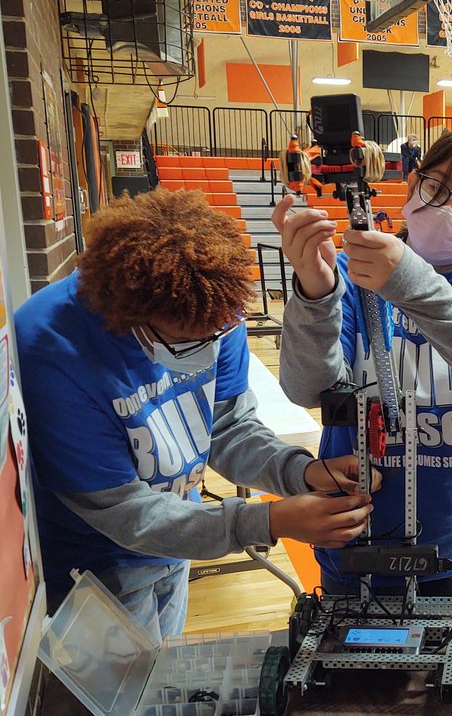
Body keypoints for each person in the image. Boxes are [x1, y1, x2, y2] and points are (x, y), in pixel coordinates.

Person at [14, 188, 373, 642]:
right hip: (94, 565)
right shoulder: (52, 348)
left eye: (215, 336)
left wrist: (299, 471)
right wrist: (268, 521)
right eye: (186, 343)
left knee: (165, 665)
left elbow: (226, 425)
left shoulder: (213, 305)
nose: (206, 350)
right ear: (132, 317)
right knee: (130, 686)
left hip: (178, 534)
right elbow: (123, 511)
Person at [274, 129, 452, 618]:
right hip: (355, 540)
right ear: (413, 183)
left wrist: (407, 280)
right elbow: (307, 388)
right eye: (436, 187)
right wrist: (314, 293)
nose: (446, 209)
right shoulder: (349, 273)